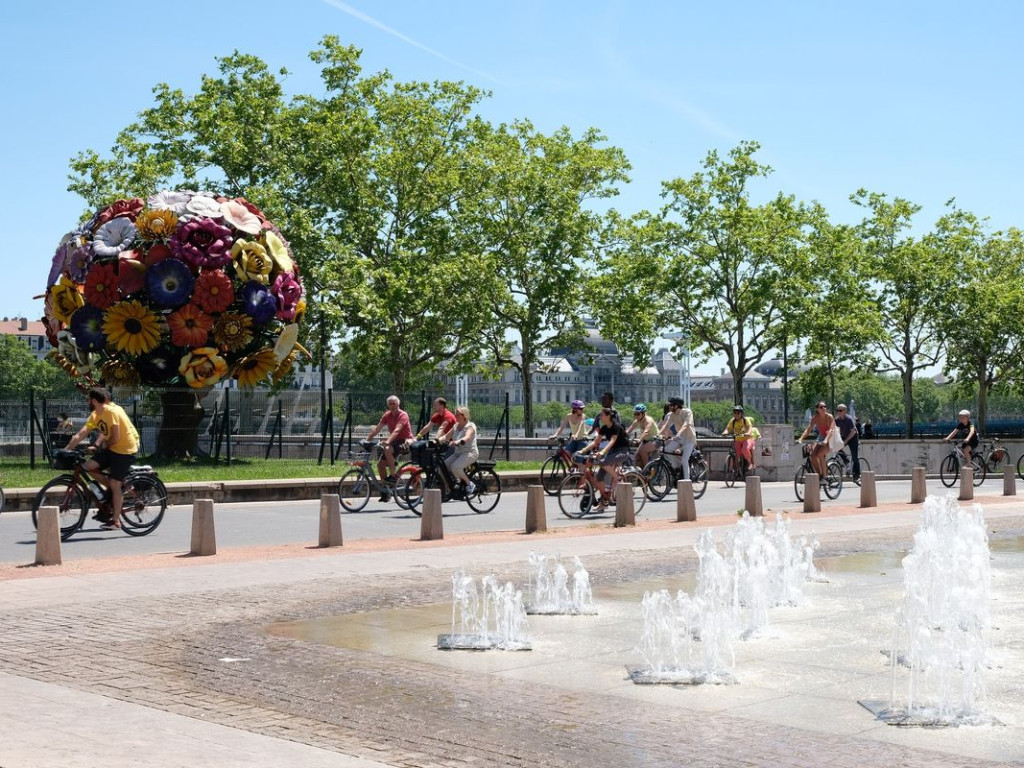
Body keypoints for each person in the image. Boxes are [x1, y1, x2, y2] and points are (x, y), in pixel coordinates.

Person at [64, 387, 139, 530]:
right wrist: (66, 450)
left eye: (88, 399)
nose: (87, 402)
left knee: (116, 484)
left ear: (93, 400)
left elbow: (115, 437)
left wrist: (101, 445)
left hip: (125, 450)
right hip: (111, 448)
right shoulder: (95, 414)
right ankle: (109, 491)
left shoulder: (110, 411)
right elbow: (81, 434)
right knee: (87, 467)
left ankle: (116, 521)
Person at [577, 407, 631, 511]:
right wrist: (583, 450)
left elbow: (612, 441)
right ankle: (605, 500)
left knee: (603, 462)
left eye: (602, 415)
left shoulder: (616, 427)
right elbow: (596, 442)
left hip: (622, 451)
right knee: (598, 478)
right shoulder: (604, 428)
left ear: (608, 416)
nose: (600, 417)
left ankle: (618, 479)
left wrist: (602, 452)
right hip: (612, 451)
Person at [366, 395, 413, 501]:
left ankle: (393, 476)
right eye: (390, 404)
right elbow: (377, 428)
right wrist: (366, 441)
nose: (392, 406)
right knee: (380, 465)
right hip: (393, 441)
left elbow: (397, 430)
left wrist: (387, 441)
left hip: (404, 440)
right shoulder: (387, 415)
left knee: (387, 449)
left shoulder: (403, 415)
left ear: (398, 404)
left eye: (394, 403)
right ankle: (385, 491)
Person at [439, 406, 479, 494]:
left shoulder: (470, 426)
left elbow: (467, 437)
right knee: (441, 468)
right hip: (458, 453)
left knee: (455, 467)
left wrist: (457, 442)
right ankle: (447, 488)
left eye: (458, 414)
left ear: (464, 415)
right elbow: (446, 437)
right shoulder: (456, 426)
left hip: (469, 453)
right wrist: (436, 441)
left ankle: (469, 484)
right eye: (455, 413)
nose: (455, 415)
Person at [411, 397, 456, 467]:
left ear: (441, 406)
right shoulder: (437, 415)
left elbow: (442, 428)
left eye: (436, 405)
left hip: (454, 442)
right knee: (433, 457)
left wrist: (436, 439)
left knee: (446, 464)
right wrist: (417, 437)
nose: (434, 406)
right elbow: (427, 427)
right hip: (445, 441)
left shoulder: (448, 415)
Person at [659, 397, 697, 479]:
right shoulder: (672, 415)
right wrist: (658, 434)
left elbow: (686, 425)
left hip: (689, 439)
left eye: (671, 405)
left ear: (676, 406)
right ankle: (677, 467)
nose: (669, 407)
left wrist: (678, 434)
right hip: (680, 437)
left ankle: (687, 481)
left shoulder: (687, 412)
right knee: (667, 450)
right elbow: (666, 425)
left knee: (684, 460)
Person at [798, 401, 836, 479]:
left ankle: (825, 478)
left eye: (825, 406)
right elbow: (808, 429)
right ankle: (819, 475)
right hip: (821, 436)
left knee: (820, 454)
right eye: (821, 407)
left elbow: (831, 430)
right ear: (817, 409)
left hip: (831, 437)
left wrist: (826, 440)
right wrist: (801, 438)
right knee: (812, 455)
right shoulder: (815, 418)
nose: (824, 408)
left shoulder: (829, 417)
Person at [722, 405, 756, 472]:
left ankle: (750, 463)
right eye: (735, 412)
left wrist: (748, 433)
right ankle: (736, 466)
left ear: (741, 413)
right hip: (738, 439)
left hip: (747, 439)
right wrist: (725, 433)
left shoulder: (745, 420)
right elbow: (728, 428)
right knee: (735, 452)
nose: (736, 414)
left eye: (738, 413)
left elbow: (750, 428)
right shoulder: (732, 421)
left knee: (744, 449)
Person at [834, 404, 860, 480]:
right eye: (837, 410)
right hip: (845, 436)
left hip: (853, 437)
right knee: (837, 446)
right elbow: (836, 430)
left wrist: (845, 441)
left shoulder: (849, 419)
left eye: (840, 410)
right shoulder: (837, 420)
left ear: (845, 411)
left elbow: (853, 431)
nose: (838, 412)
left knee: (855, 457)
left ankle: (857, 475)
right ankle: (846, 460)